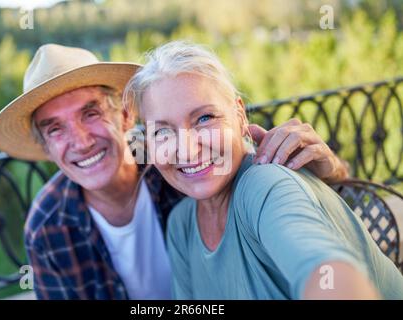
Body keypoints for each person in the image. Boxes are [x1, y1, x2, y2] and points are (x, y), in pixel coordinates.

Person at [0, 43, 349, 300]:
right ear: (47, 148)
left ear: (127, 117)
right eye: (55, 129)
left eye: (91, 113)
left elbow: (302, 212)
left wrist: (330, 171)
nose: (80, 141)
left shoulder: (180, 167)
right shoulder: (48, 227)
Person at [124, 40, 403, 299]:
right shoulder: (181, 225)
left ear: (239, 115)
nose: (186, 149)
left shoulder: (264, 183)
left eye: (204, 118)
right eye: (162, 131)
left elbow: (326, 269)